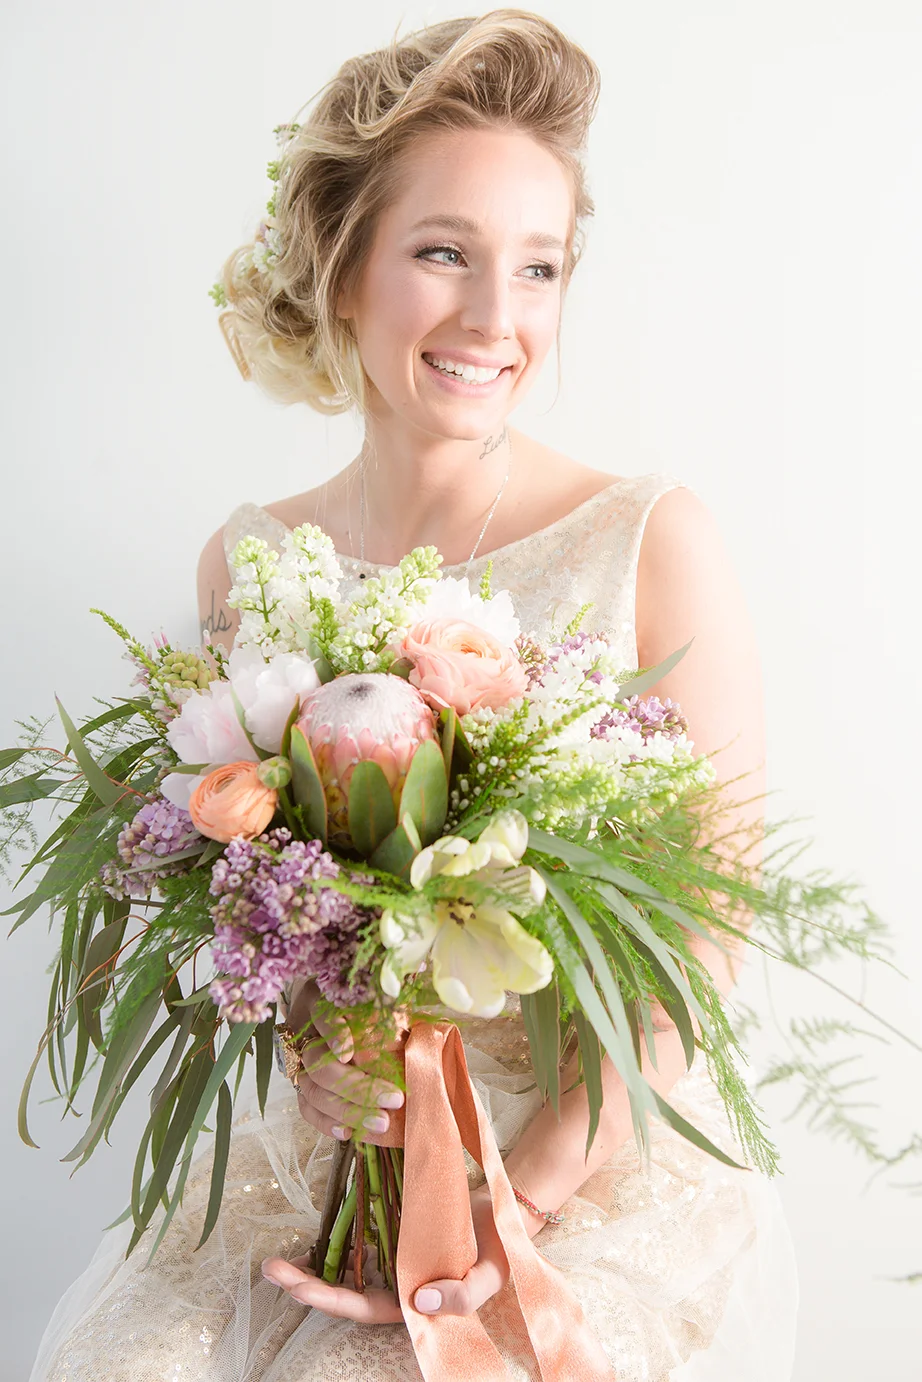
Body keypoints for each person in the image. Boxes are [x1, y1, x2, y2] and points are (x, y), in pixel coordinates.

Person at [30, 10, 798, 1380]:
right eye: (444, 252)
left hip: (583, 1149)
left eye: (539, 267)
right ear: (342, 271)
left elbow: (708, 940)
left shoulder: (649, 539)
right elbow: (246, 907)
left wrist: (513, 1200)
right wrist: (316, 1051)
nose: (496, 321)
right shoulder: (247, 562)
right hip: (332, 1156)